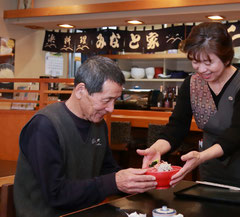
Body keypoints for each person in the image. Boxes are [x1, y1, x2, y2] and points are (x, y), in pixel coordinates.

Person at [14, 56, 157, 217]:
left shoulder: (98, 124)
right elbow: (56, 195)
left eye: (115, 100)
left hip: (86, 212)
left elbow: (108, 171)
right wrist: (115, 182)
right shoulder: (44, 126)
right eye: (107, 100)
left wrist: (142, 179)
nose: (111, 109)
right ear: (81, 90)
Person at [137, 22, 240, 187]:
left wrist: (201, 156)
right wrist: (157, 149)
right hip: (210, 165)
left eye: (208, 63)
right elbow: (177, 126)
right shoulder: (192, 84)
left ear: (227, 58)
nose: (201, 69)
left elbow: (238, 132)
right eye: (195, 61)